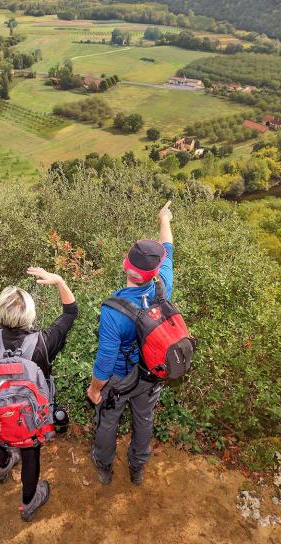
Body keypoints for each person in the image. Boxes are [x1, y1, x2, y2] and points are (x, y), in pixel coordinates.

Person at [0, 267, 77, 521]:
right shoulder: (42, 341)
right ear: (29, 315)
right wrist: (60, 281)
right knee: (31, 453)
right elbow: (71, 312)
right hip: (28, 420)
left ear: (0, 311)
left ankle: (5, 464)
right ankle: (28, 502)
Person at [87, 201, 174, 486]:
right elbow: (168, 249)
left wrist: (95, 389)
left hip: (120, 378)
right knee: (144, 421)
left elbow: (105, 358)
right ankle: (137, 468)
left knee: (108, 421)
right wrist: (164, 220)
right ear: (154, 271)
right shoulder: (163, 286)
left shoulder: (114, 309)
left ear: (126, 264)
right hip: (151, 374)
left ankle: (104, 467)